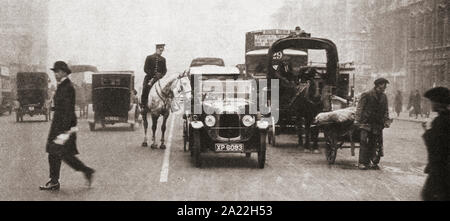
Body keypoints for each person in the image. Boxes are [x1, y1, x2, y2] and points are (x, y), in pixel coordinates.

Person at [39, 61, 95, 191]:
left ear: (64, 72)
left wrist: (65, 131)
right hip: (61, 125)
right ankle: (85, 172)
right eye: (54, 72)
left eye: (57, 72)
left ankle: (56, 181)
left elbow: (68, 110)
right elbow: (61, 106)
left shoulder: (67, 86)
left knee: (57, 152)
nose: (55, 74)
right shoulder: (62, 85)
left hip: (64, 126)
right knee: (63, 154)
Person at [355, 78, 391, 170]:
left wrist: (386, 120)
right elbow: (360, 108)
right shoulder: (367, 94)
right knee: (364, 142)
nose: (385, 87)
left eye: (385, 85)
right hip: (366, 122)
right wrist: (357, 120)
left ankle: (373, 161)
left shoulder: (384, 97)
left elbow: (386, 110)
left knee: (374, 142)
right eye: (383, 85)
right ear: (377, 85)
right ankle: (362, 163)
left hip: (377, 123)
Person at [421, 87, 450, 201]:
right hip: (443, 168)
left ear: (439, 103)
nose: (431, 103)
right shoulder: (445, 118)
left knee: (432, 195)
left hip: (441, 170)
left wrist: (427, 132)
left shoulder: (441, 121)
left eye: (432, 101)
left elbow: (436, 146)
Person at [141, 44, 167, 110]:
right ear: (156, 49)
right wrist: (152, 74)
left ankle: (165, 106)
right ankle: (143, 106)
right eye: (160, 50)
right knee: (145, 89)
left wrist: (161, 75)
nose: (161, 52)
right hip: (149, 78)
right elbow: (145, 69)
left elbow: (165, 70)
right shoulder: (149, 57)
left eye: (162, 51)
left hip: (159, 79)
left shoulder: (163, 59)